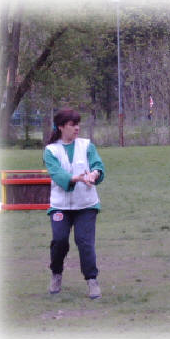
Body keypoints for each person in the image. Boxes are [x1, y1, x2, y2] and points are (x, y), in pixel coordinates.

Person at [43, 109, 105, 299]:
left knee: (84, 242)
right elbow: (56, 174)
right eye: (72, 124)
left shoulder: (87, 146)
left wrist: (95, 174)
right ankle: (56, 274)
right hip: (60, 206)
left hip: (86, 204)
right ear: (61, 127)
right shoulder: (51, 150)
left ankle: (92, 281)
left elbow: (98, 165)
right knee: (60, 241)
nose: (77, 128)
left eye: (78, 124)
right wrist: (74, 179)